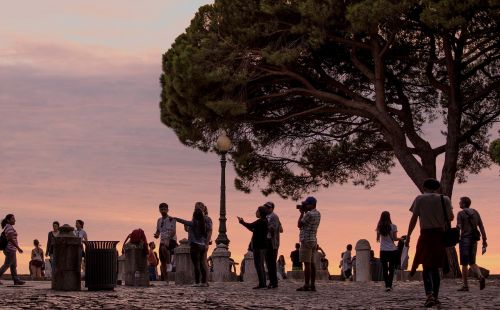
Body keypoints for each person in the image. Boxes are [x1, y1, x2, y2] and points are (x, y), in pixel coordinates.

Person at [406, 178, 454, 308]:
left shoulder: (419, 199)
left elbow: (414, 218)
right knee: (437, 267)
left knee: (427, 267)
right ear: (437, 187)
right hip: (439, 236)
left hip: (425, 235)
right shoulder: (445, 199)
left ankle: (429, 295)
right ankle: (436, 296)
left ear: (424, 187)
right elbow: (450, 217)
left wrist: (409, 235)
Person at [456, 196, 487, 291]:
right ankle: (480, 276)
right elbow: (481, 225)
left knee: (464, 263)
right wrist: (484, 240)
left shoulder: (460, 214)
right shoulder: (475, 212)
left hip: (465, 239)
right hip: (474, 240)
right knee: (472, 262)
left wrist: (455, 238)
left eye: (460, 202)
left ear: (464, 203)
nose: (459, 203)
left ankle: (465, 286)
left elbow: (459, 227)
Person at [174, 207, 211, 287]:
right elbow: (208, 231)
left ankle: (197, 282)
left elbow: (182, 221)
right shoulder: (204, 224)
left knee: (196, 265)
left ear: (194, 215)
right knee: (201, 264)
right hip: (202, 245)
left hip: (195, 245)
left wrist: (175, 218)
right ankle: (204, 282)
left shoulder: (193, 223)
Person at [238, 206, 268, 289]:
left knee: (258, 265)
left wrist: (242, 222)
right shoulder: (265, 221)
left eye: (257, 211)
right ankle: (263, 283)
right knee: (261, 264)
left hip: (258, 246)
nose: (256, 212)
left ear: (260, 213)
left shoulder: (260, 221)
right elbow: (253, 229)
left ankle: (262, 284)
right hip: (263, 246)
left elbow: (250, 226)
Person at [296, 196, 321, 292]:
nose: (305, 205)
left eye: (307, 204)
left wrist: (302, 213)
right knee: (313, 264)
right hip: (313, 240)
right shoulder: (318, 213)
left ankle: (306, 285)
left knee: (307, 264)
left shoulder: (309, 214)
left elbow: (299, 224)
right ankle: (313, 285)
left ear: (312, 204)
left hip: (305, 240)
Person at [376, 211, 400, 291]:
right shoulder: (393, 226)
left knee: (385, 269)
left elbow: (377, 239)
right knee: (391, 268)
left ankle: (387, 286)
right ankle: (390, 284)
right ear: (389, 217)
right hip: (392, 250)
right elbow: (395, 239)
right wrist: (402, 239)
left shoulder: (379, 227)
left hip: (383, 250)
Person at [154, 202, 177, 282]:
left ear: (168, 210)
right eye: (161, 209)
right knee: (161, 261)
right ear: (159, 210)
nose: (163, 210)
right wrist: (156, 235)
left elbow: (173, 231)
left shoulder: (171, 219)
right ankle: (166, 280)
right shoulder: (159, 220)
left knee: (164, 247)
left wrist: (168, 239)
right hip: (162, 241)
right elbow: (158, 231)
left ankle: (169, 263)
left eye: (164, 209)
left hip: (171, 240)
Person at [0, 214, 25, 285]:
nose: (15, 220)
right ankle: (16, 279)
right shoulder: (9, 227)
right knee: (6, 265)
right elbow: (10, 238)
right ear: (8, 220)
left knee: (13, 265)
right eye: (13, 219)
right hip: (10, 249)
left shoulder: (8, 227)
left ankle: (16, 280)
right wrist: (18, 247)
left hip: (11, 249)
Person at [264, 201, 282, 289]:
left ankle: (273, 282)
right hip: (268, 242)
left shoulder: (274, 217)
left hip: (272, 242)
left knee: (271, 263)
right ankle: (272, 281)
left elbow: (273, 229)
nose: (266, 208)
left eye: (268, 207)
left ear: (272, 208)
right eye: (266, 207)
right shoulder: (267, 216)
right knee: (268, 263)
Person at [195, 202, 212, 280]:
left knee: (203, 261)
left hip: (203, 242)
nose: (197, 209)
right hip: (195, 242)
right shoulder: (195, 218)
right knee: (198, 262)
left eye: (198, 207)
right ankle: (200, 280)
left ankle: (205, 280)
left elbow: (209, 231)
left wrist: (207, 243)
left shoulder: (207, 218)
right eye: (196, 207)